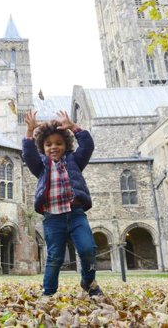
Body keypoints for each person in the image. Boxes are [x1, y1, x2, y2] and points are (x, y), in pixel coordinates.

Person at [22, 109, 102, 296]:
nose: (54, 147)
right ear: (43, 147)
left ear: (66, 145)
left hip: (76, 214)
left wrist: (74, 127)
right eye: (48, 144)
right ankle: (48, 292)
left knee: (88, 249)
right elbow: (28, 154)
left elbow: (88, 146)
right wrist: (29, 132)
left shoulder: (74, 161)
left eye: (58, 143)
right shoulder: (41, 166)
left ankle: (89, 283)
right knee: (54, 257)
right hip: (53, 217)